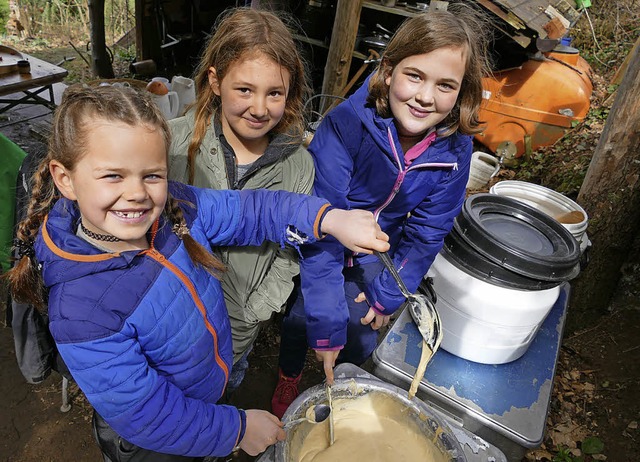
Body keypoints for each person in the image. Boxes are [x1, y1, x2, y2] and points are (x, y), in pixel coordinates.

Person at [4, 85, 389, 461]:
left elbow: (253, 210)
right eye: (113, 176)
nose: (137, 192)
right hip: (154, 443)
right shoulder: (83, 310)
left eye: (152, 175)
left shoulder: (176, 209)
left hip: (207, 392)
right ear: (65, 178)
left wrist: (329, 218)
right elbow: (149, 416)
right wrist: (235, 430)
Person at [272, 6, 492, 418]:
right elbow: (321, 214)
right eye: (415, 76)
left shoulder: (455, 152)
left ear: (462, 93)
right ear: (388, 70)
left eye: (445, 85)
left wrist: (387, 297)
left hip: (377, 249)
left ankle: (339, 393)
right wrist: (326, 321)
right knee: (306, 317)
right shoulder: (346, 125)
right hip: (324, 238)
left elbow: (428, 232)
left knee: (363, 328)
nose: (426, 97)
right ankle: (287, 374)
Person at [168, 8, 313, 392]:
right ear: (215, 81)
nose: (260, 108)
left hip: (236, 332)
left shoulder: (298, 167)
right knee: (169, 407)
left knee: (221, 390)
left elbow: (290, 251)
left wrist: (256, 309)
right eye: (245, 89)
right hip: (167, 324)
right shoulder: (171, 145)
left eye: (275, 93)